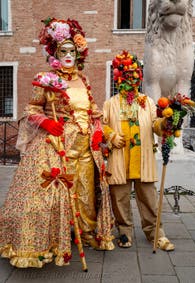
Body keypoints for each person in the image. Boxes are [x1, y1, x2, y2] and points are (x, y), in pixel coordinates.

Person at [0, 17, 114, 268]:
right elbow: (31, 109)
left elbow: (93, 112)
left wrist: (98, 131)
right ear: (54, 53)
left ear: (78, 53)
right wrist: (45, 122)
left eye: (72, 51)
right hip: (58, 144)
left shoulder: (83, 80)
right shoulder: (46, 79)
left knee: (86, 190)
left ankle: (84, 232)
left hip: (86, 146)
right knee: (56, 193)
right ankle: (56, 237)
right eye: (63, 51)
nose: (68, 55)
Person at [102, 50, 175, 250]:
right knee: (120, 199)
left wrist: (166, 122)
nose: (131, 80)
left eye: (135, 75)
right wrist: (111, 136)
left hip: (143, 160)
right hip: (119, 160)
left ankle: (156, 234)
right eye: (126, 75)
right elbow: (101, 126)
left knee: (149, 200)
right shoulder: (110, 103)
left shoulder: (148, 102)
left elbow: (155, 126)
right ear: (119, 78)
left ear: (139, 77)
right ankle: (124, 233)